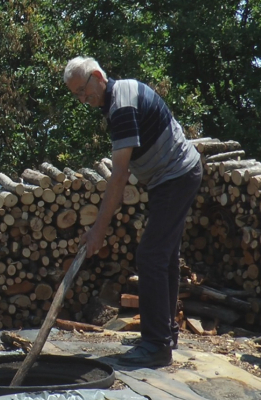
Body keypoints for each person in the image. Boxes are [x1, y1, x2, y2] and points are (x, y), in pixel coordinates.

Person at [63, 56, 202, 368]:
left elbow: (120, 175)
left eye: (84, 90)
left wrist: (98, 229)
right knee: (163, 256)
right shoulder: (117, 99)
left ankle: (156, 346)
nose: (84, 99)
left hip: (176, 175)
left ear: (98, 76)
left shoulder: (121, 106)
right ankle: (164, 334)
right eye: (77, 96)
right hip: (171, 177)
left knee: (151, 257)